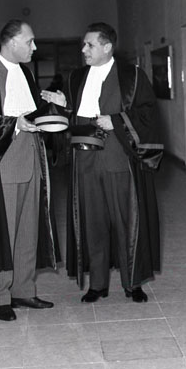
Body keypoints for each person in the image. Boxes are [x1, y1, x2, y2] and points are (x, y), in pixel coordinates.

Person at [0, 20, 60, 322]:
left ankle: (24, 290)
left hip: (31, 159)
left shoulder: (26, 73)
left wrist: (53, 103)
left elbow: (31, 113)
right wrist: (14, 124)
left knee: (28, 229)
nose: (34, 47)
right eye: (29, 41)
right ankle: (1, 297)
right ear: (12, 41)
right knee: (3, 231)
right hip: (2, 164)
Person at [62, 22, 163, 303]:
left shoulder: (132, 76)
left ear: (107, 47)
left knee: (126, 222)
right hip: (85, 161)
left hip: (118, 160)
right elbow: (73, 115)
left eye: (90, 45)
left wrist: (116, 121)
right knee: (93, 223)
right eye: (84, 45)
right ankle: (97, 284)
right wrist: (64, 105)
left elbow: (148, 114)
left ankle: (132, 282)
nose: (84, 50)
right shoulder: (76, 77)